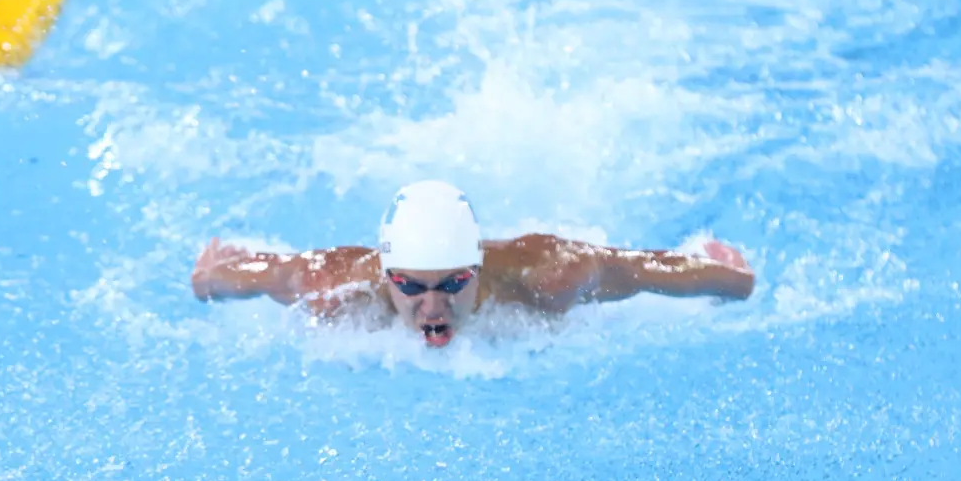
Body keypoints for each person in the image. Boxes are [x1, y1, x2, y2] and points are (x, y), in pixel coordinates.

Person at [191, 180, 754, 348]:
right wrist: (213, 276)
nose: (432, 307)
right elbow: (266, 273)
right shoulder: (332, 285)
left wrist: (726, 278)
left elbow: (640, 269)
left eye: (454, 283)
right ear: (386, 274)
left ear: (478, 269)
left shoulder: (549, 276)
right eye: (410, 285)